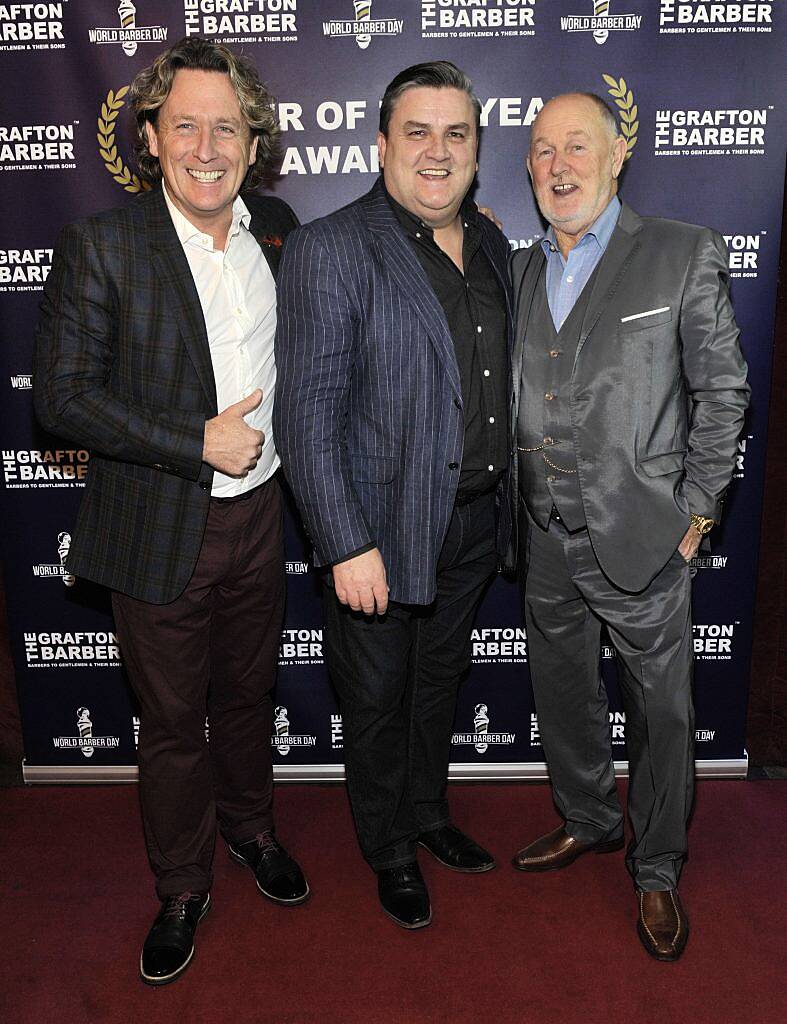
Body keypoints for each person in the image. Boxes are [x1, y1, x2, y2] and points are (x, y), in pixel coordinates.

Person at [33, 37, 308, 986]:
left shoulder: (278, 227)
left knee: (246, 698)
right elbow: (60, 399)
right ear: (150, 137)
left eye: (225, 126)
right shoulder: (104, 244)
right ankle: (183, 884)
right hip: (159, 526)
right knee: (172, 723)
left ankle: (252, 832)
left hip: (260, 519)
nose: (206, 144)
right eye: (184, 123)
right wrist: (192, 438)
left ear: (252, 142)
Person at [510, 92, 749, 960]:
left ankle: (654, 867)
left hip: (644, 535)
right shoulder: (521, 266)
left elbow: (722, 391)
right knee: (563, 693)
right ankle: (585, 819)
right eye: (542, 150)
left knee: (662, 712)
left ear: (618, 158)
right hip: (542, 533)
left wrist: (695, 511)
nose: (558, 165)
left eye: (577, 147)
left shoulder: (679, 252)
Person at [274, 62, 512, 929]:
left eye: (456, 135)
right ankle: (387, 848)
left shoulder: (490, 244)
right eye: (417, 133)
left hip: (476, 525)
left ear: (478, 152)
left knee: (436, 685)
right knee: (372, 699)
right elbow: (305, 416)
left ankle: (426, 813)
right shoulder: (330, 247)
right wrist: (343, 541)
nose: (436, 152)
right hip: (376, 533)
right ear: (381, 146)